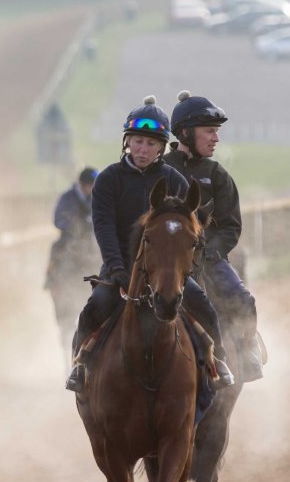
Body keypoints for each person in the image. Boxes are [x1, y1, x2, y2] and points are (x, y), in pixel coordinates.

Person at [65, 95, 234, 393]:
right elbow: (104, 228)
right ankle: (80, 365)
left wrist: (181, 271)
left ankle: (217, 361)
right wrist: (116, 268)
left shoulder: (176, 181)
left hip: (168, 272)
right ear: (127, 142)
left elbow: (187, 231)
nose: (143, 149)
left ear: (161, 147)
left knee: (204, 306)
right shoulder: (108, 180)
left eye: (151, 144)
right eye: (138, 142)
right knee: (95, 307)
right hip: (119, 268)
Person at [162, 90, 263, 382]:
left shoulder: (218, 175)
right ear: (185, 132)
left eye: (216, 132)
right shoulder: (161, 169)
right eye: (209, 131)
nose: (216, 138)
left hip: (208, 258)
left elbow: (231, 226)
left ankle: (248, 348)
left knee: (243, 299)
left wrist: (208, 253)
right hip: (165, 258)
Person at [46, 166, 99, 364]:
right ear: (83, 185)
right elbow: (58, 220)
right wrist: (77, 226)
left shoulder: (98, 198)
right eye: (89, 185)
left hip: (91, 251)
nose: (91, 189)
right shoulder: (67, 198)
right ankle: (52, 280)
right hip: (68, 249)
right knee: (57, 254)